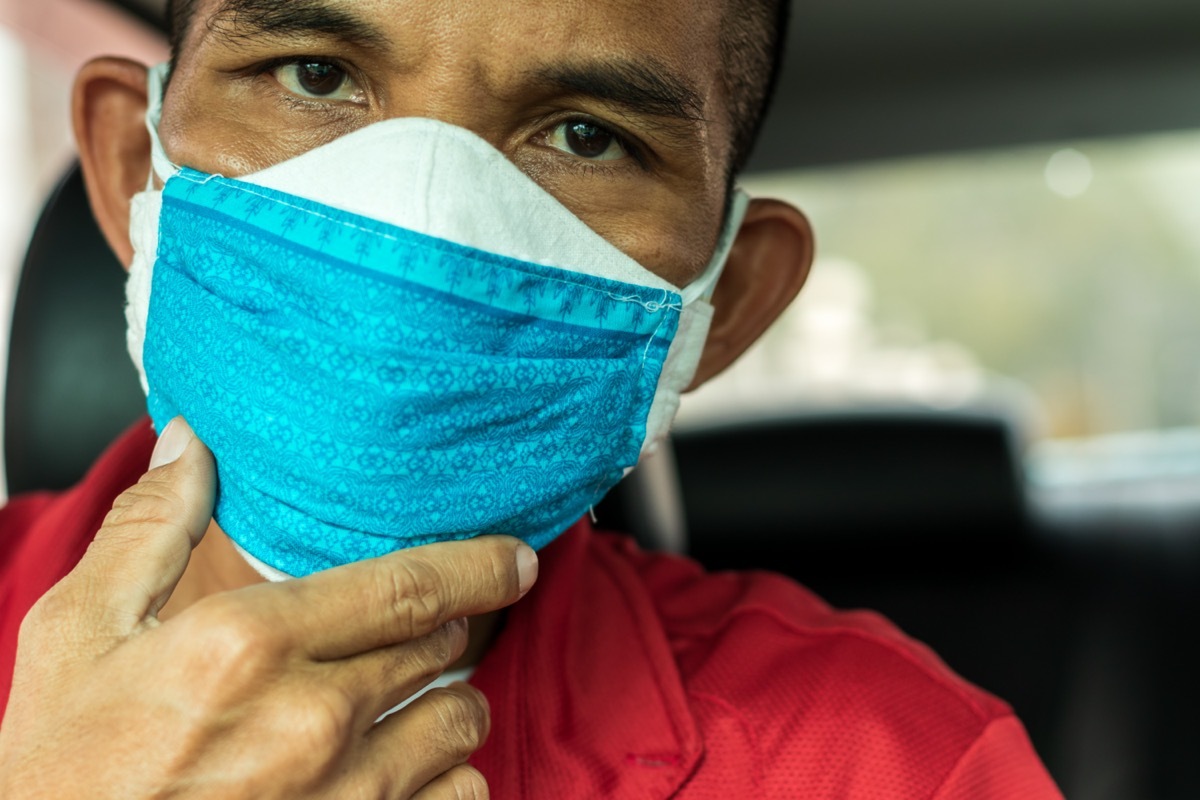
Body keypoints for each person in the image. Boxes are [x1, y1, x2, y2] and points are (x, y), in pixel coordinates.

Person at [0, 0, 1063, 797]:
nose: (426, 215)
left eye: (586, 136)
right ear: (137, 166)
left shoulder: (884, 766)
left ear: (722, 305)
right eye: (315, 74)